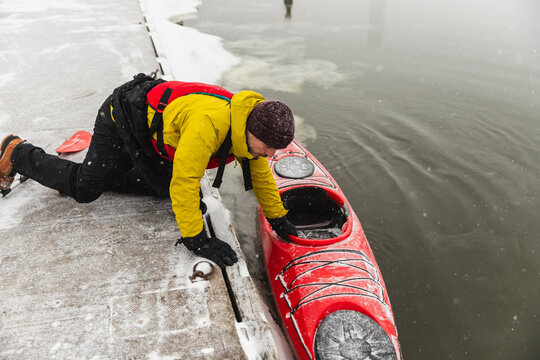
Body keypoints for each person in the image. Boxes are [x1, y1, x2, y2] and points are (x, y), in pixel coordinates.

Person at [0, 73, 298, 267]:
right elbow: (184, 181)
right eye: (268, 145)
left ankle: (113, 170)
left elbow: (260, 176)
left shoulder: (249, 130)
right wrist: (197, 238)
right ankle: (17, 152)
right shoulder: (209, 126)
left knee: (165, 191)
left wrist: (279, 218)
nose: (270, 154)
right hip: (125, 118)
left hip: (157, 137)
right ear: (253, 129)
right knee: (85, 188)